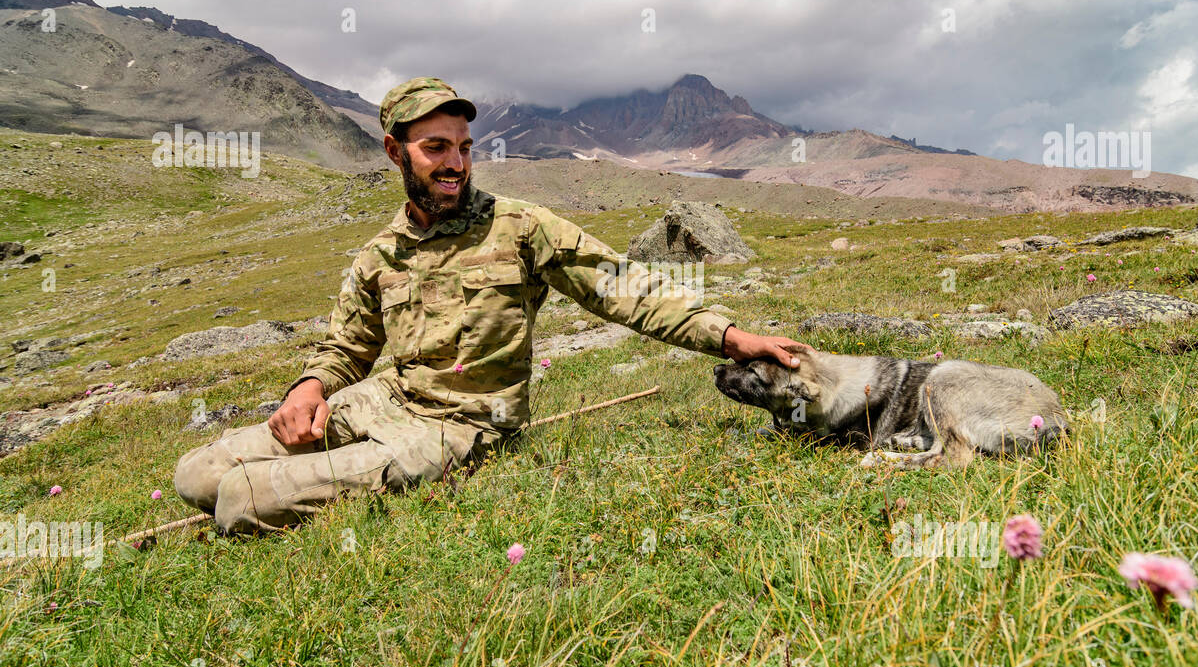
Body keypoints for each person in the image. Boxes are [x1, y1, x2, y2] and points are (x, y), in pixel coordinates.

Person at [174, 77, 806, 532]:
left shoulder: (521, 227)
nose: (456, 163)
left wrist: (732, 337)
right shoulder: (380, 254)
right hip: (385, 401)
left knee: (240, 499)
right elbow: (348, 347)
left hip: (464, 426)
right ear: (397, 153)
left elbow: (624, 289)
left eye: (465, 147)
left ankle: (336, 474)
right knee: (196, 475)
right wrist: (308, 389)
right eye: (436, 148)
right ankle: (338, 462)